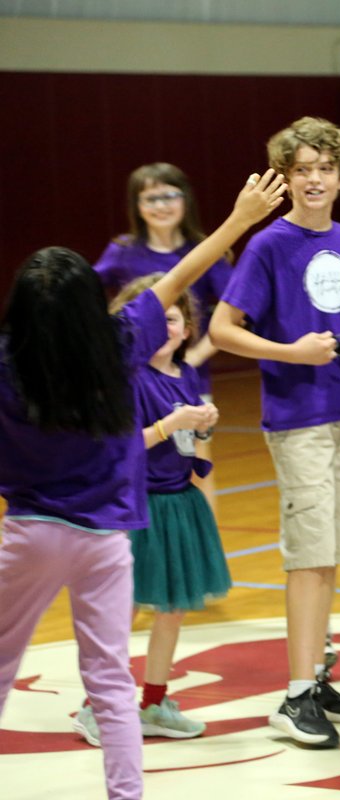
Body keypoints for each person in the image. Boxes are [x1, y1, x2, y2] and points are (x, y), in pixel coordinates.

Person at [0, 170, 285, 800]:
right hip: (106, 538)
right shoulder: (119, 341)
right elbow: (180, 276)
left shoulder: (5, 363)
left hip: (29, 533)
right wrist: (239, 220)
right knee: (108, 682)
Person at [209, 116, 340, 748]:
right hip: (298, 419)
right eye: (301, 169)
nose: (313, 179)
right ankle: (293, 694)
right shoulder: (268, 246)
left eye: (324, 168)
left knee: (332, 554)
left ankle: (317, 674)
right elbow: (223, 330)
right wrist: (289, 352)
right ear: (287, 175)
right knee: (307, 558)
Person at [73, 272, 232, 746]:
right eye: (157, 319)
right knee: (122, 610)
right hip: (135, 508)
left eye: (174, 318)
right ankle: (96, 706)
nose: (165, 327)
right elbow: (116, 448)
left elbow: (199, 468)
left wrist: (202, 432)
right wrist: (169, 426)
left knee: (172, 611)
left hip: (178, 507)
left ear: (187, 328)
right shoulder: (129, 380)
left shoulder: (186, 380)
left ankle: (154, 702)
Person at [94, 162, 236, 512]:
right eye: (151, 197)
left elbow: (235, 311)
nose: (161, 205)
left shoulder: (203, 251)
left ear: (185, 199)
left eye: (170, 194)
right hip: (134, 382)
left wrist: (195, 356)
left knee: (196, 460)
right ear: (137, 206)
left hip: (186, 377)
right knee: (135, 454)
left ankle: (205, 545)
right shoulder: (123, 250)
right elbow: (88, 298)